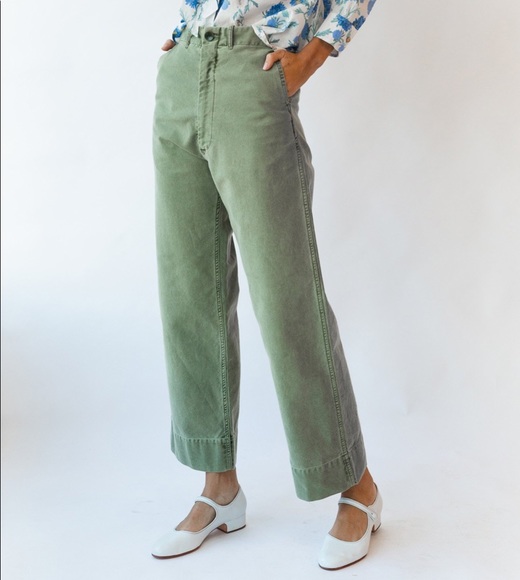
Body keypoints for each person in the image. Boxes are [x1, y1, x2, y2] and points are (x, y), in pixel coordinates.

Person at [151, 0, 380, 570]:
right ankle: (220, 489)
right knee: (189, 293)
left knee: (286, 298)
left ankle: (359, 488)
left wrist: (313, 56)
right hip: (185, 69)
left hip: (256, 72)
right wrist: (182, 36)